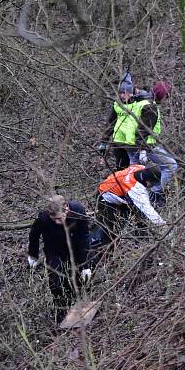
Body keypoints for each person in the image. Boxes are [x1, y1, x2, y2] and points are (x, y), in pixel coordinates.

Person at [27, 196, 92, 325]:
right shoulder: (43, 218)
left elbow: (84, 237)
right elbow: (34, 235)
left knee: (80, 278)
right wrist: (33, 255)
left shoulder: (78, 211)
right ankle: (61, 311)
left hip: (74, 246)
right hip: (54, 249)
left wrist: (86, 265)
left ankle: (79, 306)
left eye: (60, 218)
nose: (57, 222)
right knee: (55, 280)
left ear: (67, 209)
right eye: (54, 219)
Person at [96, 164, 166, 245]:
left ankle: (140, 242)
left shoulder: (140, 168)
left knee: (139, 215)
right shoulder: (135, 189)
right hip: (104, 197)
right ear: (147, 181)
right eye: (152, 184)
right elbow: (148, 211)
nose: (152, 186)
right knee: (111, 230)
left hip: (120, 192)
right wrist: (163, 225)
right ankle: (107, 253)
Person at [133, 82, 178, 207]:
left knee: (134, 173)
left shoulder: (143, 102)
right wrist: (142, 150)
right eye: (166, 96)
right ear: (161, 95)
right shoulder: (150, 107)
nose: (166, 99)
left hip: (137, 144)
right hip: (146, 146)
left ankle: (141, 199)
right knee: (171, 166)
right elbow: (142, 131)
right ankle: (154, 194)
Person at [101, 74, 146, 169]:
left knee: (134, 170)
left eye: (124, 93)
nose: (122, 95)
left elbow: (145, 127)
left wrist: (143, 149)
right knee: (120, 168)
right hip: (118, 142)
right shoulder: (117, 104)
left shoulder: (139, 104)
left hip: (133, 143)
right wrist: (104, 141)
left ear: (130, 93)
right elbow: (111, 122)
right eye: (120, 93)